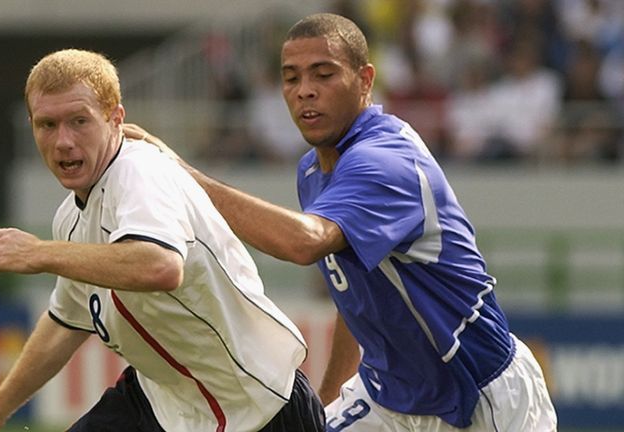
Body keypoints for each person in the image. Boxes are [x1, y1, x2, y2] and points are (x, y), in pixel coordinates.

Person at [130, 13, 557, 431]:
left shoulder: (384, 162)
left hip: (479, 398)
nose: (305, 92)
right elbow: (353, 294)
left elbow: (304, 243)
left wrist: (181, 176)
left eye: (323, 75)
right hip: (388, 397)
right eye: (292, 77)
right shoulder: (313, 171)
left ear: (366, 80)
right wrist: (330, 397)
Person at [0, 48, 325, 432]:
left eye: (79, 121)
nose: (63, 141)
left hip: (257, 407)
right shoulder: (71, 215)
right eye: (47, 125)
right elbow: (65, 322)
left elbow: (161, 265)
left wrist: (40, 253)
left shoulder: (139, 172)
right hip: (162, 402)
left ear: (115, 118)